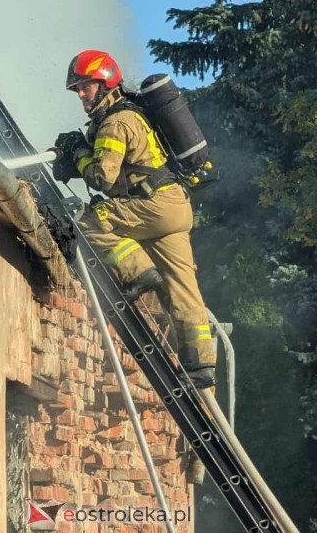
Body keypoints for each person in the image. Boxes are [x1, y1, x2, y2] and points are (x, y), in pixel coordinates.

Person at [50, 49, 216, 388]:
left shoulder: (115, 121)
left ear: (105, 82)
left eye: (86, 87)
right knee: (183, 289)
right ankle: (202, 367)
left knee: (86, 223)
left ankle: (139, 272)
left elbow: (102, 178)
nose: (82, 95)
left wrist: (78, 153)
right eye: (78, 89)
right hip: (175, 207)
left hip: (150, 205)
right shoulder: (133, 113)